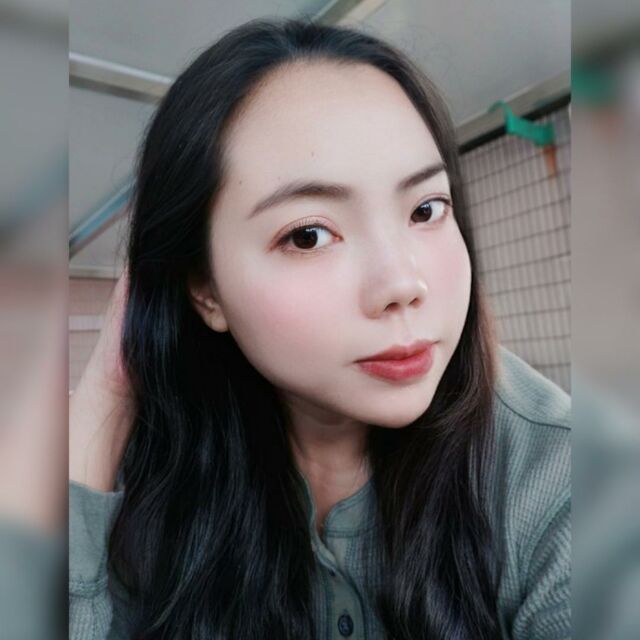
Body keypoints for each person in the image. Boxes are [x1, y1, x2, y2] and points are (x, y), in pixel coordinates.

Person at [69, 17, 570, 640]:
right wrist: (103, 399)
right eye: (308, 235)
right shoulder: (154, 472)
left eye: (425, 209)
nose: (402, 283)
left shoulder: (565, 477)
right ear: (205, 289)